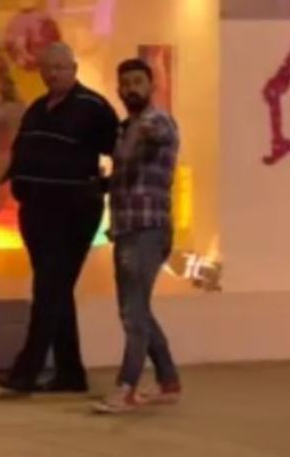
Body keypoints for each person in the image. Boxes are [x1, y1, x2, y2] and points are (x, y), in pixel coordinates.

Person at [0, 42, 119, 394]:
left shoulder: (94, 108)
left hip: (74, 212)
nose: (53, 74)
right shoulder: (36, 110)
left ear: (74, 69)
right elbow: (14, 158)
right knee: (56, 289)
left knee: (49, 287)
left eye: (60, 68)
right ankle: (70, 374)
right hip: (36, 212)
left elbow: (124, 153)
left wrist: (106, 187)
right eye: (48, 68)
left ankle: (26, 370)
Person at [93, 58, 181, 414]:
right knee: (137, 309)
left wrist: (127, 140)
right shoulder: (125, 127)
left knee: (133, 313)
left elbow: (148, 136)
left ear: (151, 86)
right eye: (126, 83)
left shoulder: (156, 121)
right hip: (127, 228)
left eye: (138, 82)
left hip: (148, 229)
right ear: (118, 89)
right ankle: (168, 380)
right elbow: (125, 174)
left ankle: (126, 386)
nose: (131, 88)